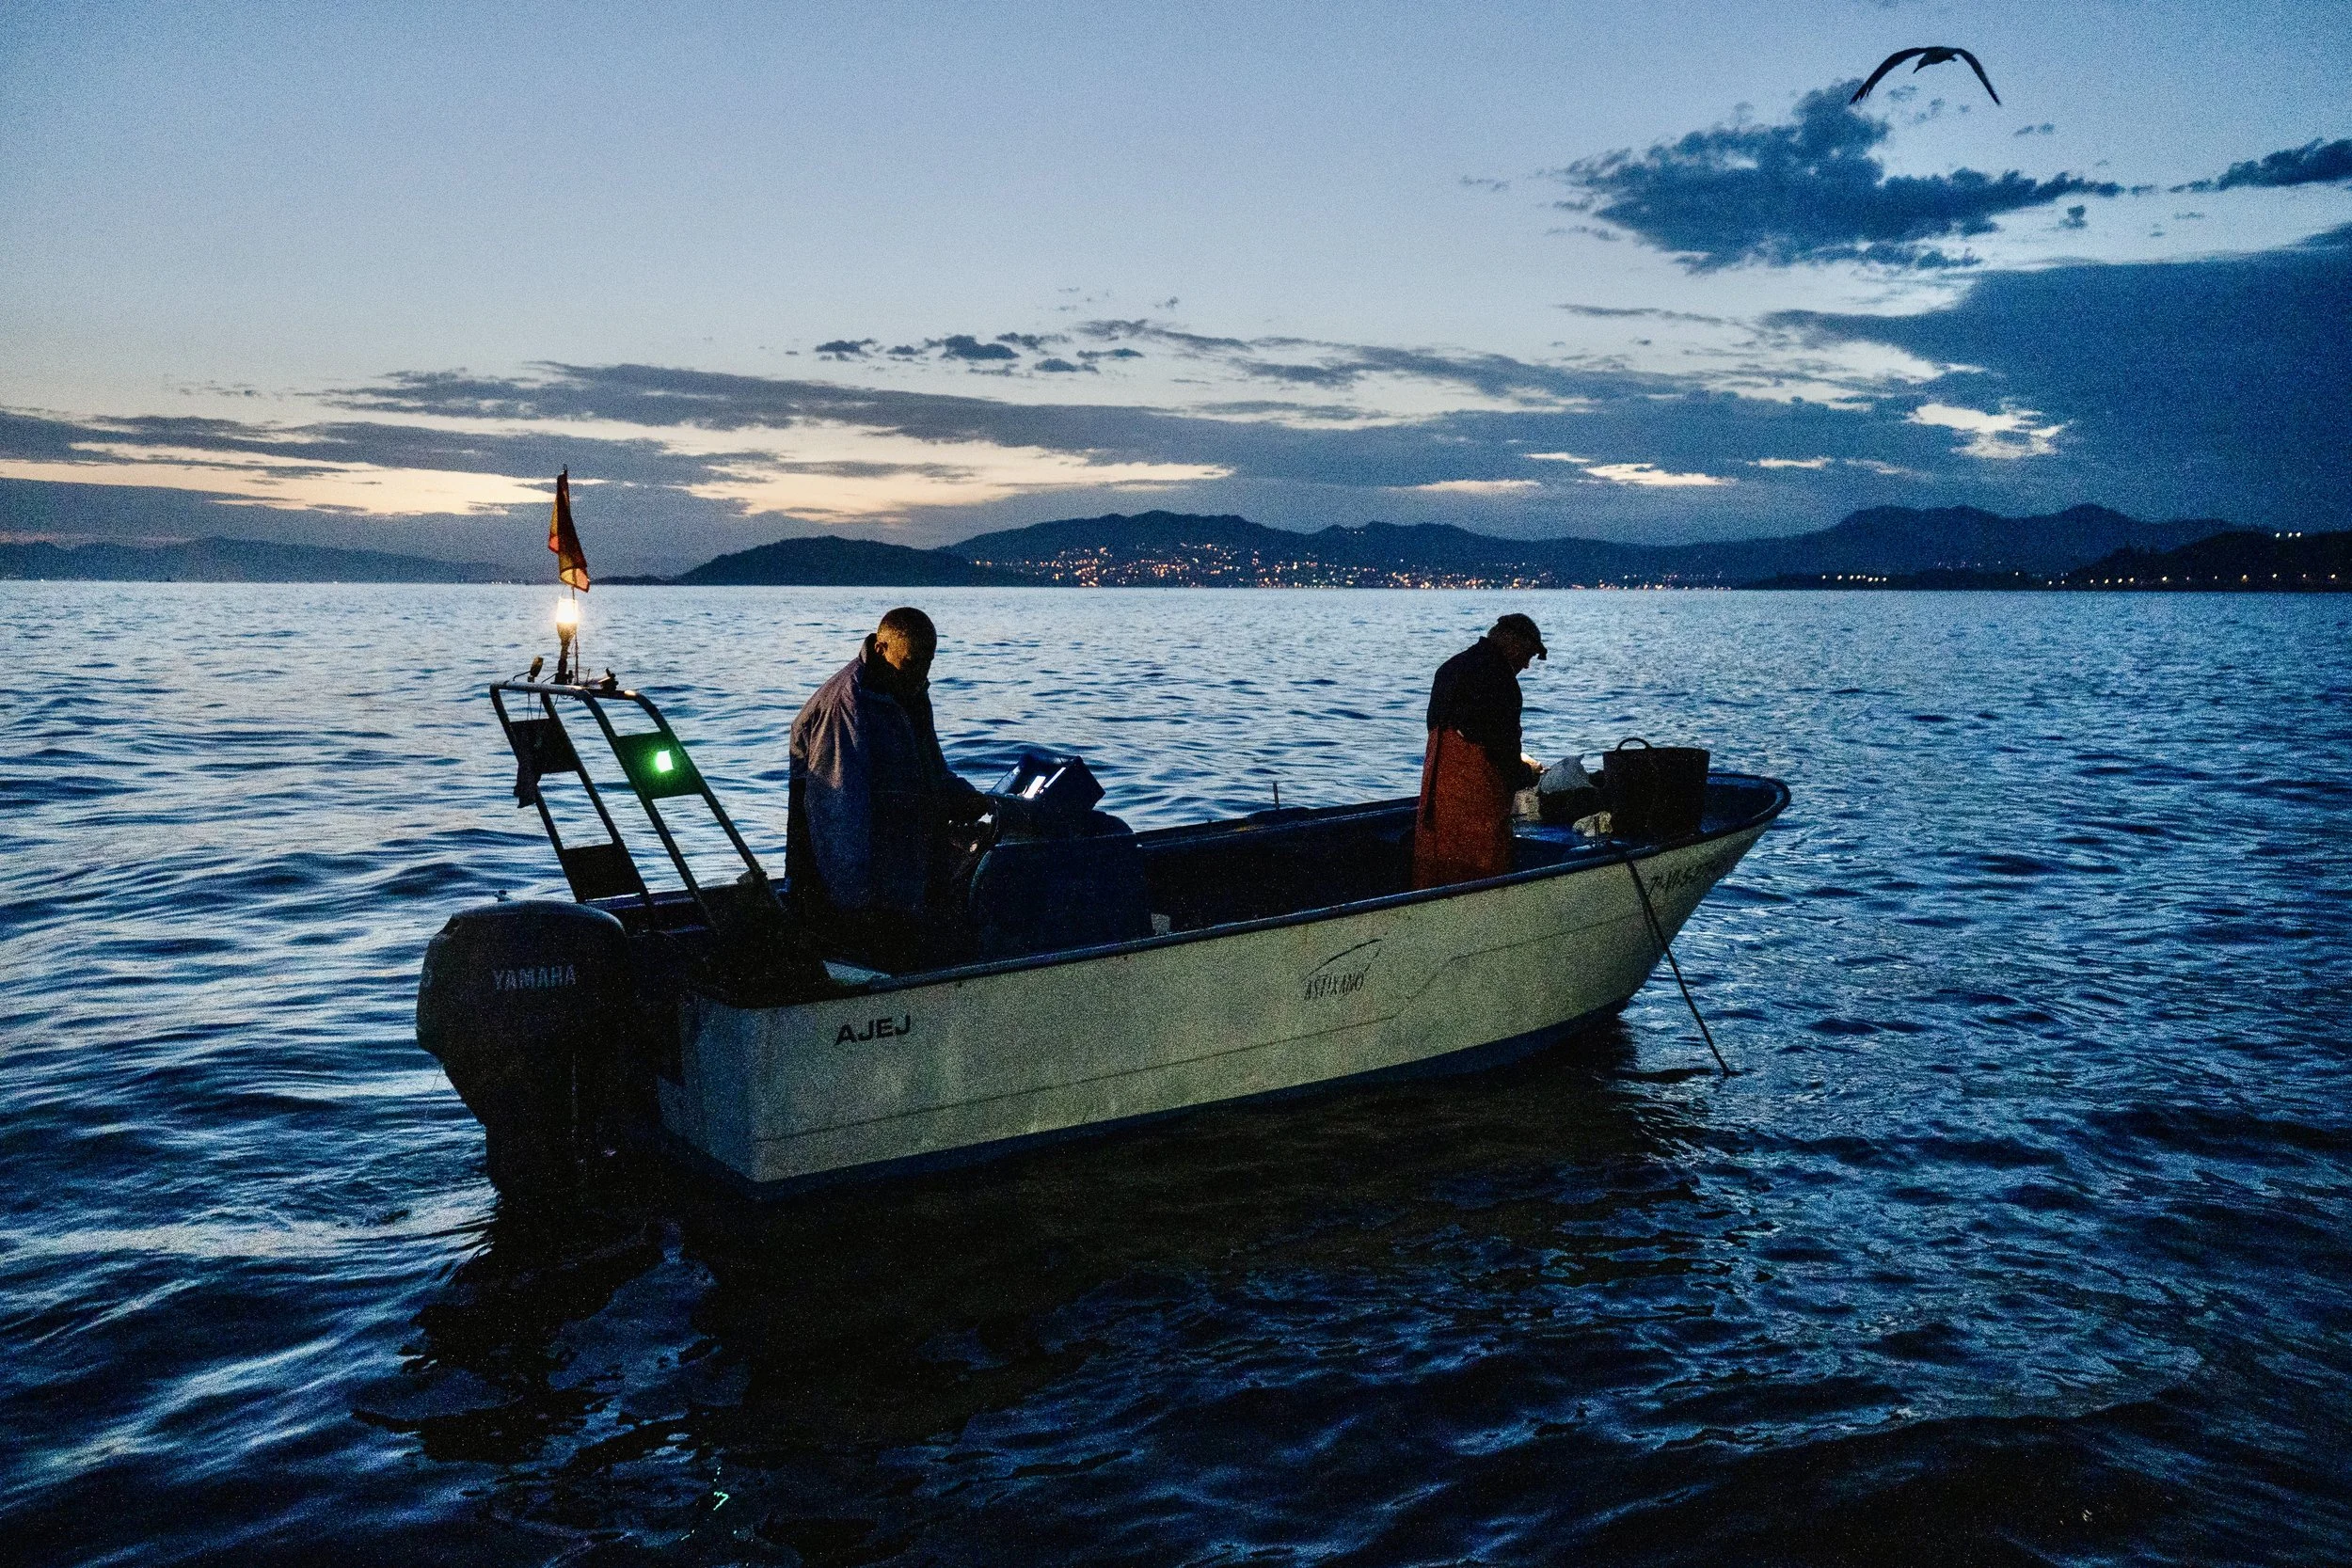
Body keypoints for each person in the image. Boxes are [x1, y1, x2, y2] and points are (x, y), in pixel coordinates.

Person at [788, 607, 989, 970]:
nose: (922, 675)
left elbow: (931, 769)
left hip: (904, 880)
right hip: (863, 898)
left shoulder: (907, 689)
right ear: (881, 650)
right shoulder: (845, 707)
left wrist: (969, 798)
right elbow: (837, 814)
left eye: (929, 663)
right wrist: (854, 907)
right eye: (913, 663)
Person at [1412, 612, 1546, 890]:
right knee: (1478, 883)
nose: (1526, 665)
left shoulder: (1449, 669)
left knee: (1434, 875)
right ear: (1512, 643)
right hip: (1475, 810)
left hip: (1436, 801)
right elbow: (1504, 756)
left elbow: (1443, 734)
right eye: (1527, 655)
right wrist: (1529, 773)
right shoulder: (1502, 681)